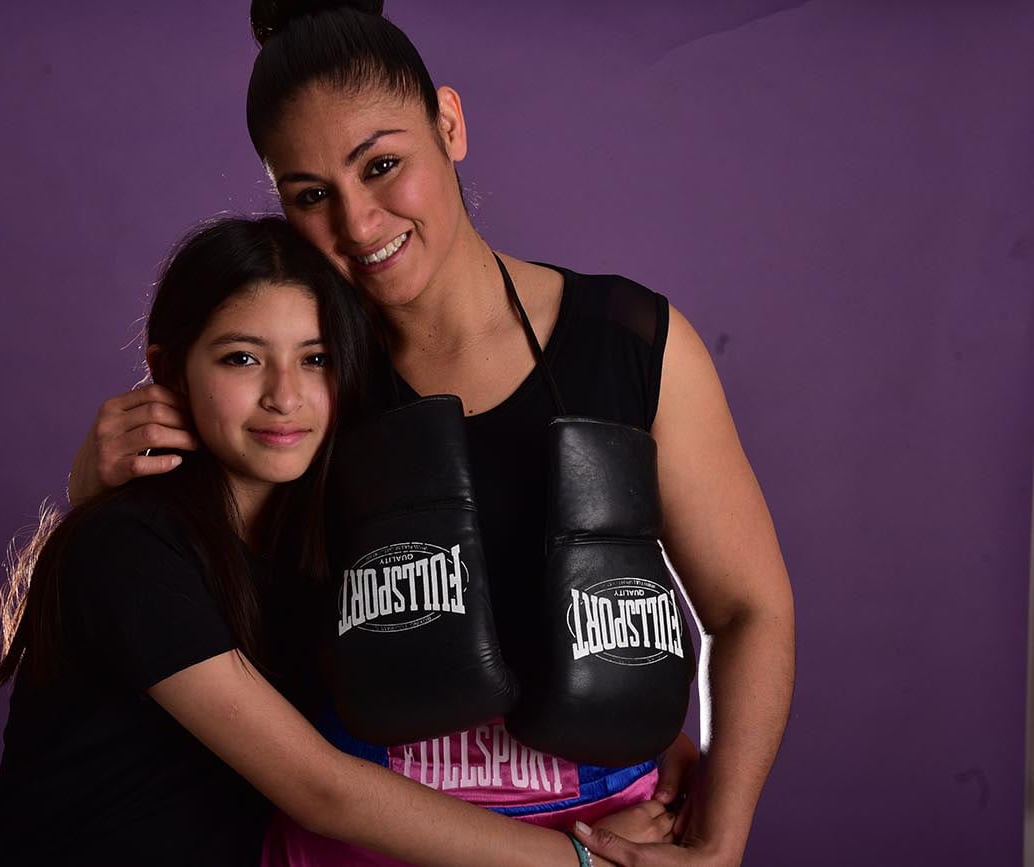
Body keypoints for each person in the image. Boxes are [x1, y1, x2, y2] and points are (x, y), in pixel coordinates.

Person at [68, 3, 796, 864]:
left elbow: (750, 607)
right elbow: (174, 586)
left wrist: (721, 836)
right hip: (364, 834)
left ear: (448, 123)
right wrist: (93, 484)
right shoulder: (301, 383)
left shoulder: (632, 340)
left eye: (382, 165)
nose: (359, 224)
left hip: (606, 828)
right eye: (310, 196)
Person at [0, 216, 675, 867]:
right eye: (242, 358)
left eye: (316, 358)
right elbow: (320, 788)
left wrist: (651, 736)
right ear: (170, 369)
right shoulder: (129, 546)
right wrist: (580, 863)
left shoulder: (323, 546)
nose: (284, 396)